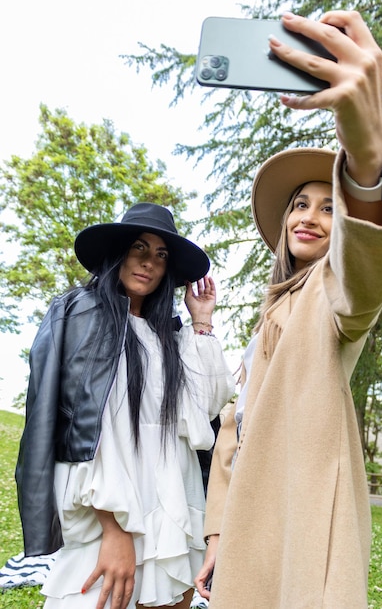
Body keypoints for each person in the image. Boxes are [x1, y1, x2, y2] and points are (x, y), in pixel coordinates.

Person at [194, 10, 382, 608]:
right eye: (300, 203)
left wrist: (367, 158)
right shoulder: (273, 310)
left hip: (302, 532)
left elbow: (365, 272)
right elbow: (233, 434)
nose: (309, 216)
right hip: (247, 529)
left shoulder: (333, 294)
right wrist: (218, 532)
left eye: (328, 205)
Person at [15, 202, 236, 609]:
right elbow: (76, 429)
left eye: (161, 255)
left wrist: (201, 321)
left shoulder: (167, 336)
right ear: (118, 252)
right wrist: (112, 529)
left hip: (172, 504)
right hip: (112, 514)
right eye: (139, 247)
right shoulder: (80, 313)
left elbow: (202, 413)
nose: (149, 262)